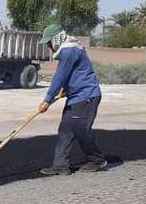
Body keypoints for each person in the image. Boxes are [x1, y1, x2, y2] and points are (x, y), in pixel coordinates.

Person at [37, 24, 107, 175]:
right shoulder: (69, 50)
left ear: (56, 39)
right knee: (65, 129)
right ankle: (60, 165)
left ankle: (97, 160)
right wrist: (67, 89)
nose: (49, 46)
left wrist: (47, 100)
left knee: (80, 130)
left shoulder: (69, 51)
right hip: (76, 96)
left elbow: (60, 76)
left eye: (49, 43)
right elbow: (72, 75)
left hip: (87, 96)